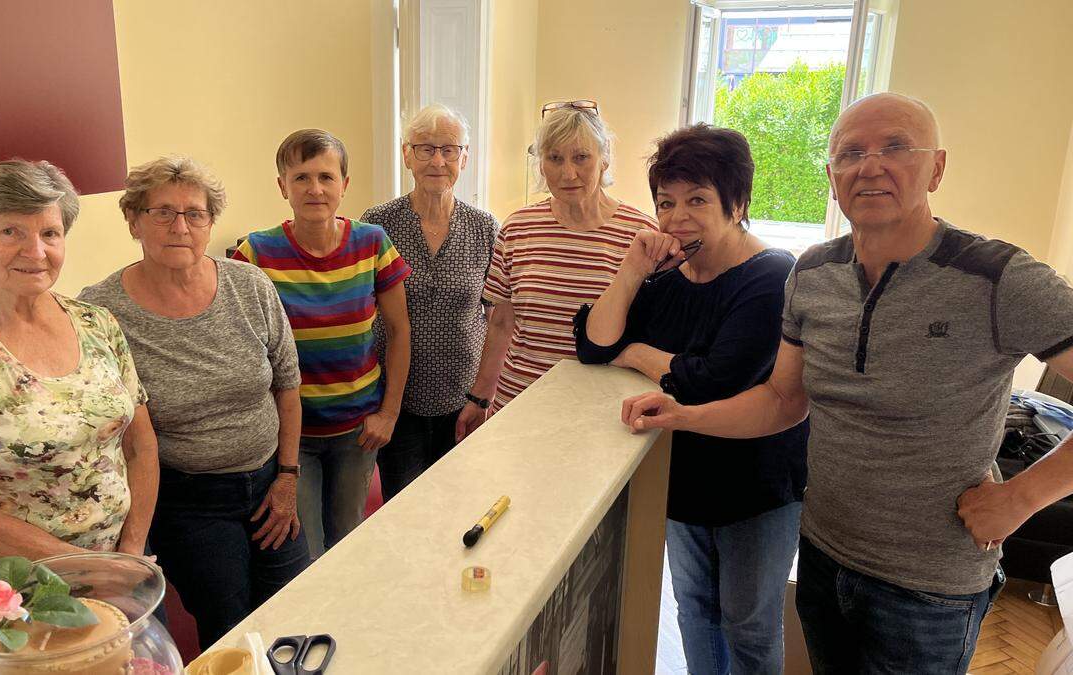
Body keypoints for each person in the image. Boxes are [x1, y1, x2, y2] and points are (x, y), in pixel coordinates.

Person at [621, 92, 1073, 674]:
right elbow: (783, 401)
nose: (870, 166)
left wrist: (1020, 498)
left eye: (896, 147)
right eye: (850, 153)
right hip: (825, 558)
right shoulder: (812, 274)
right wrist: (683, 416)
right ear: (832, 177)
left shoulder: (997, 276)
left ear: (936, 167)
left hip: (929, 585)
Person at [576, 124, 807, 674]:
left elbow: (711, 379)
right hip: (683, 477)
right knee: (696, 611)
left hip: (757, 485)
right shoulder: (669, 277)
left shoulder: (772, 275)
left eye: (697, 200)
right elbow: (593, 342)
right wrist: (633, 270)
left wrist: (637, 353)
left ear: (737, 203)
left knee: (749, 623)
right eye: (666, 202)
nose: (677, 217)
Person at [79, 156, 310, 648]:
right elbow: (87, 420)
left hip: (272, 481)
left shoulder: (250, 286)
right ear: (134, 220)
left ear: (209, 222)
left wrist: (288, 477)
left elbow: (287, 388)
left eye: (195, 213)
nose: (180, 227)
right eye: (162, 212)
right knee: (230, 627)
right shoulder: (102, 309)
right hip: (189, 501)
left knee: (294, 608)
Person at [0, 159, 158, 588]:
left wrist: (131, 551)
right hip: (21, 593)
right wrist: (92, 569)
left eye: (50, 233)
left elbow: (141, 446)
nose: (36, 252)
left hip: (122, 570)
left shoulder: (97, 323)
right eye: (11, 232)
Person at [231, 129, 411, 559]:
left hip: (358, 430)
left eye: (327, 177)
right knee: (305, 549)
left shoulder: (372, 243)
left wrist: (388, 413)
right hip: (293, 434)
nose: (315, 189)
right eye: (302, 178)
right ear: (282, 186)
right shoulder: (256, 252)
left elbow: (400, 332)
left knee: (349, 540)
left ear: (344, 185)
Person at [457, 101, 657, 439]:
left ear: (603, 157)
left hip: (601, 413)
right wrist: (480, 397)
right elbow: (502, 323)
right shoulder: (518, 228)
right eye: (555, 158)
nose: (568, 173)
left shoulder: (639, 235)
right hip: (518, 403)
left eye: (581, 157)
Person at [361, 104, 498, 500]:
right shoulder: (379, 224)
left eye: (449, 149)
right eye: (425, 149)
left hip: (465, 398)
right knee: (404, 507)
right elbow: (362, 312)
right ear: (407, 154)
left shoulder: (485, 227)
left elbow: (497, 318)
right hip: (396, 401)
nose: (438, 160)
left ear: (465, 157)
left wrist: (485, 394)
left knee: (460, 503)